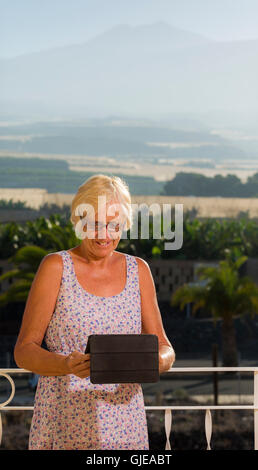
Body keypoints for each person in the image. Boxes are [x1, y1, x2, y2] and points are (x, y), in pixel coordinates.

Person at [14, 174, 175, 450]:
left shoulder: (139, 271)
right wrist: (65, 364)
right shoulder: (56, 267)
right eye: (95, 224)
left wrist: (156, 360)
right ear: (79, 221)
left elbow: (165, 349)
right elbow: (24, 351)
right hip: (63, 420)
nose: (104, 235)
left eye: (114, 225)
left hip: (124, 420)